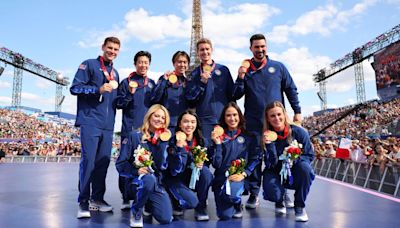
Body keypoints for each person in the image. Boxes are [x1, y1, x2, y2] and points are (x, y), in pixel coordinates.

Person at [233, 33, 301, 209]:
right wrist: (240, 77)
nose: (260, 50)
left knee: (280, 157)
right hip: (254, 122)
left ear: (266, 47)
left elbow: (291, 89)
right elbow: (236, 94)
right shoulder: (246, 70)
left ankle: (283, 192)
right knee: (254, 158)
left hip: (276, 124)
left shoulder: (278, 67)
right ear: (251, 49)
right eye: (256, 47)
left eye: (262, 46)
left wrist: (297, 111)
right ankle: (254, 193)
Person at [70, 36, 120, 218]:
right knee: (88, 162)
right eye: (110, 48)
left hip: (108, 126)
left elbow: (115, 101)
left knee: (102, 164)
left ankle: (97, 199)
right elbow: (75, 88)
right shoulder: (89, 64)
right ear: (103, 47)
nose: (112, 51)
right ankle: (83, 202)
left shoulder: (116, 74)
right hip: (90, 121)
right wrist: (96, 90)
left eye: (115, 49)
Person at [116, 104, 173, 227]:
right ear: (149, 116)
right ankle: (136, 210)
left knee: (166, 218)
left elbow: (162, 166)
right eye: (156, 116)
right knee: (148, 179)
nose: (159, 120)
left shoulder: (164, 139)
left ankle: (149, 204)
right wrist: (136, 171)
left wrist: (163, 144)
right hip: (136, 182)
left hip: (156, 184)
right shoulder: (134, 136)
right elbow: (120, 164)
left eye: (163, 118)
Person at [262, 102, 315, 222]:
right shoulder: (266, 136)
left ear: (284, 115)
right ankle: (279, 199)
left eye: (279, 114)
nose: (277, 118)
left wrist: (292, 160)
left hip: (294, 169)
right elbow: (271, 164)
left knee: (306, 170)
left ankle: (299, 205)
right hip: (275, 171)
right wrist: (269, 145)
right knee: (273, 194)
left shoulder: (299, 132)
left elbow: (309, 155)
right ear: (268, 119)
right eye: (272, 116)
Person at [116, 51, 156, 210]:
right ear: (135, 63)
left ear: (149, 64)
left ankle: (144, 194)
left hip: (147, 132)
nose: (143, 65)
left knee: (146, 163)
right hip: (129, 130)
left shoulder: (152, 84)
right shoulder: (126, 83)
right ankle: (126, 197)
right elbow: (118, 104)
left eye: (146, 62)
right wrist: (129, 95)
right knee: (127, 162)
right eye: (140, 62)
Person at [209, 102, 260, 220]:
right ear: (224, 118)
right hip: (221, 179)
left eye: (235, 115)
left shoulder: (248, 136)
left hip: (239, 177)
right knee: (224, 216)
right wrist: (217, 144)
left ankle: (236, 202)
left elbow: (255, 158)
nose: (232, 118)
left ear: (240, 116)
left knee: (233, 197)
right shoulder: (218, 137)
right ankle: (232, 202)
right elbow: (216, 164)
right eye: (228, 115)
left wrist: (244, 173)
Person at [164, 110, 213, 221]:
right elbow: (174, 170)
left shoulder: (202, 142)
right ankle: (176, 201)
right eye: (186, 122)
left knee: (205, 172)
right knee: (190, 202)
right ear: (180, 124)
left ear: (197, 124)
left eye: (192, 122)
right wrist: (180, 147)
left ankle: (201, 206)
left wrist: (201, 163)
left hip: (193, 177)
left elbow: (209, 162)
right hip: (176, 178)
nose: (189, 125)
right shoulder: (172, 141)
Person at [185, 38, 234, 145]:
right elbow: (190, 99)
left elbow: (232, 94)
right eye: (201, 50)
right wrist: (202, 83)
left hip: (224, 119)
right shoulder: (194, 74)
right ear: (197, 53)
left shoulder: (223, 70)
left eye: (207, 49)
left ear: (212, 50)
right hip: (205, 120)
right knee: (206, 151)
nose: (205, 52)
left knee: (225, 151)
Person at [150, 51, 190, 134]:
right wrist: (164, 81)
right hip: (167, 123)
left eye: (185, 62)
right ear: (174, 63)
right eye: (179, 62)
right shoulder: (165, 78)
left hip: (183, 125)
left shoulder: (188, 82)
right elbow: (155, 98)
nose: (182, 64)